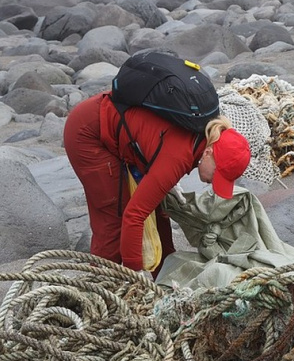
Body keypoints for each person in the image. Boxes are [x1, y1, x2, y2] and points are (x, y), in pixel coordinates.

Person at [62, 77, 252, 275]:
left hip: (119, 129)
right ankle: (103, 285)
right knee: (115, 216)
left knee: (159, 209)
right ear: (208, 153)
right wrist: (135, 274)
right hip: (88, 131)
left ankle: (164, 275)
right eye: (217, 175)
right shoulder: (177, 158)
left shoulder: (200, 136)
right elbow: (133, 216)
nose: (213, 182)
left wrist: (165, 275)